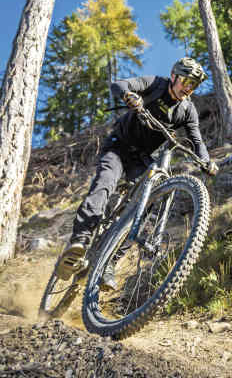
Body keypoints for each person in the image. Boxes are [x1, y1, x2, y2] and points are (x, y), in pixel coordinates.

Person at [56, 56, 219, 280]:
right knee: (105, 184)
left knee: (146, 206)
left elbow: (197, 141)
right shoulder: (156, 84)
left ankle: (109, 264)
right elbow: (118, 85)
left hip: (143, 159)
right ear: (174, 76)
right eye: (186, 82)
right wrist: (129, 95)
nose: (188, 89)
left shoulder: (187, 110)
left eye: (194, 85)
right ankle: (80, 242)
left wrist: (206, 161)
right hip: (119, 147)